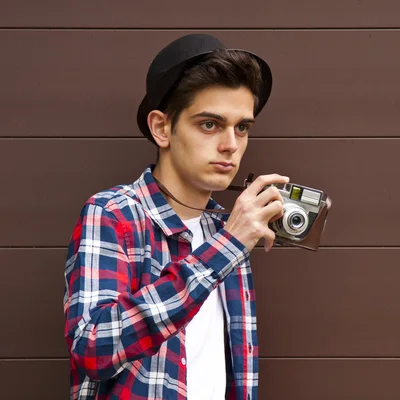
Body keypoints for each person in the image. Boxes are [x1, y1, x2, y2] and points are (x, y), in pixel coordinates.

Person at [63, 33, 288, 400]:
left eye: (242, 127)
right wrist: (226, 247)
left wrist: (229, 242)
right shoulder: (113, 214)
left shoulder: (225, 228)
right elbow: (92, 348)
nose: (231, 144)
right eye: (210, 124)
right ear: (162, 128)